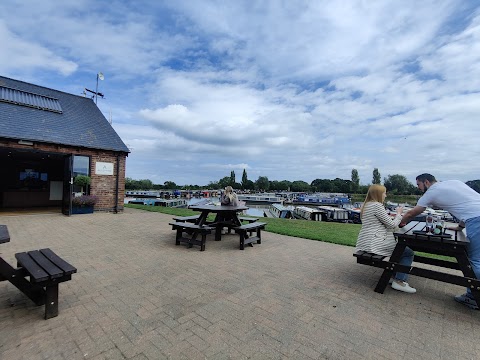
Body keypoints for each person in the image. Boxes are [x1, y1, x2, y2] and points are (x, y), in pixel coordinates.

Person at [401, 173, 480, 309]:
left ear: (426, 182)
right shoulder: (455, 182)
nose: (419, 188)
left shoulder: (432, 192)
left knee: (475, 261)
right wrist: (460, 227)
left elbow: (411, 213)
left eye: (418, 184)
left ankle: (473, 298)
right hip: (473, 218)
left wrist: (401, 224)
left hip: (476, 221)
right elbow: (467, 205)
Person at [356, 184, 416, 293]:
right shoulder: (377, 206)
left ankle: (394, 276)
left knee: (399, 251)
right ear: (378, 194)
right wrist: (399, 214)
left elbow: (383, 222)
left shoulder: (366, 205)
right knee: (407, 252)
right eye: (384, 193)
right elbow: (392, 225)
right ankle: (399, 281)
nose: (386, 195)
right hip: (375, 243)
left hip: (365, 242)